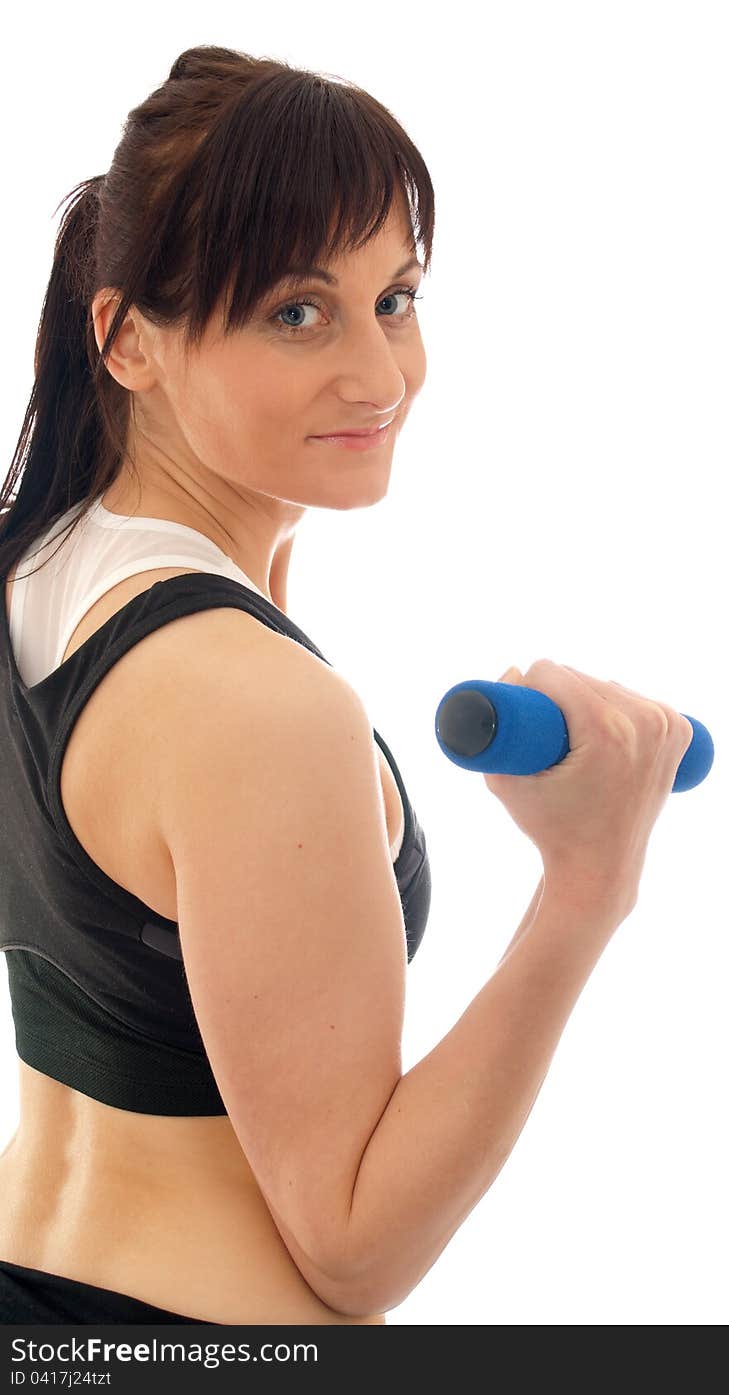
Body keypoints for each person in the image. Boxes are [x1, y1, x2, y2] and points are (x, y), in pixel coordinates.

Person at [0, 44, 691, 1326]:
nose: (379, 378)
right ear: (127, 339)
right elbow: (353, 1250)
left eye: (398, 298)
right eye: (296, 313)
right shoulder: (252, 705)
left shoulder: (30, 569)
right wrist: (587, 882)